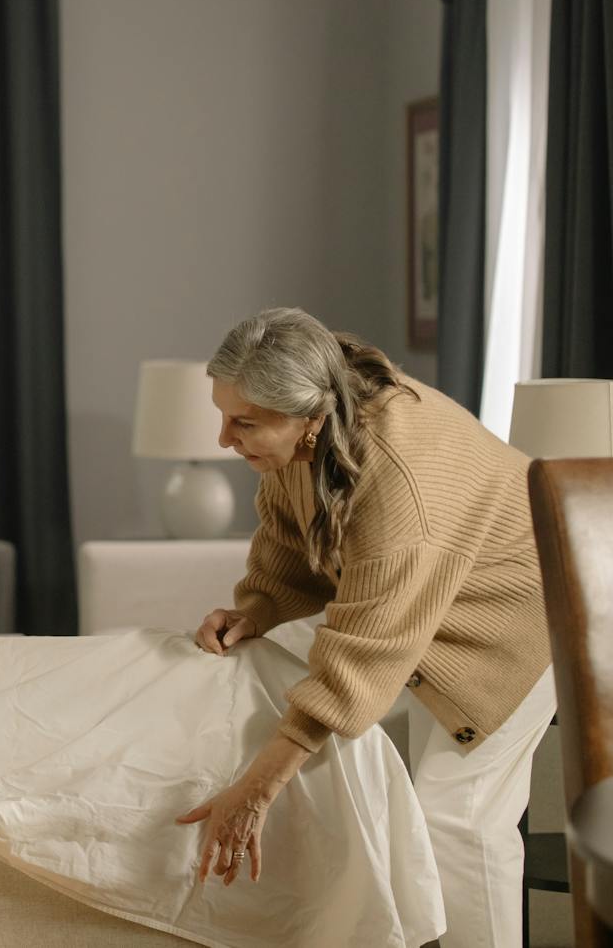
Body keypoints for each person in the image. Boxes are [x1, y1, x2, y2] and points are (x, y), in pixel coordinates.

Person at [177, 307, 553, 948]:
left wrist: (259, 787)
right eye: (223, 414)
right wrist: (258, 608)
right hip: (422, 610)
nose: (223, 439)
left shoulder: (399, 480)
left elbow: (364, 655)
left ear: (310, 417)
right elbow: (290, 544)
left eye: (244, 423)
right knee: (358, 776)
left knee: (455, 818)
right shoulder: (308, 427)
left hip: (521, 621)